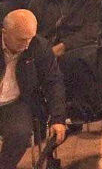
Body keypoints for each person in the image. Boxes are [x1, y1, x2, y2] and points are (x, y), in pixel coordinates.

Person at [0, 10, 66, 168]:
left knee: (20, 134)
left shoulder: (38, 46)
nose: (26, 45)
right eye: (21, 39)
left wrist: (58, 119)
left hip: (16, 101)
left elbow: (53, 82)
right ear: (4, 32)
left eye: (30, 38)